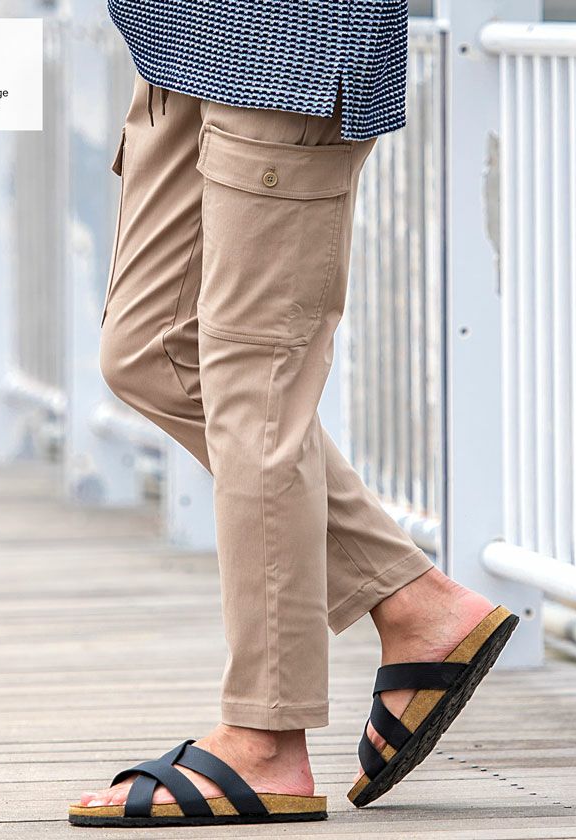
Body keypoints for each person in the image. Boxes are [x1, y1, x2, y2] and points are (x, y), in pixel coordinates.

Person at [69, 1, 519, 828]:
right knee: (148, 351)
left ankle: (265, 736)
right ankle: (416, 603)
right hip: (174, 40)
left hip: (282, 46)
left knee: (256, 389)